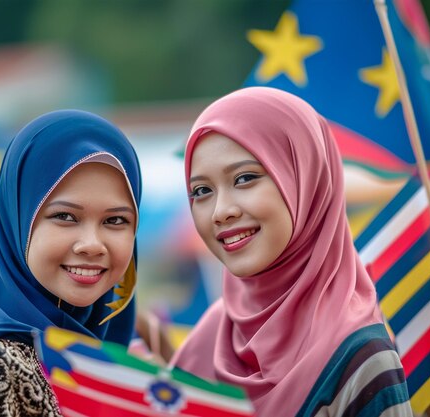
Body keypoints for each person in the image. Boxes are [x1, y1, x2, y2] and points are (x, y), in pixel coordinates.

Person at [168, 87, 412, 416]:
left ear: (305, 180)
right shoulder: (208, 338)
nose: (220, 211)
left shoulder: (357, 358)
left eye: (244, 178)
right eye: (201, 191)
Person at [0, 110, 142, 416]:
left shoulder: (112, 349)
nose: (91, 244)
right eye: (65, 216)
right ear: (17, 220)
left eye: (115, 220)